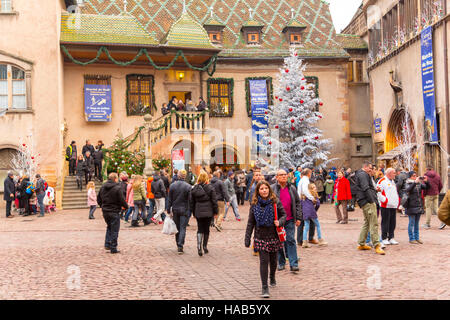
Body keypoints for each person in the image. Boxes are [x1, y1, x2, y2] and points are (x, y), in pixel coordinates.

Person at [245, 181, 287, 298]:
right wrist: (247, 238)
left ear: (269, 189)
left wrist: (280, 221)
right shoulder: (254, 204)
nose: (264, 190)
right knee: (264, 261)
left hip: (273, 235)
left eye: (266, 188)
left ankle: (272, 276)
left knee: (273, 261)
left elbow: (284, 214)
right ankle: (264, 287)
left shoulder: (275, 201)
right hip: (260, 236)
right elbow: (250, 222)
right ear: (258, 191)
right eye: (262, 188)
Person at [271, 169, 301, 273]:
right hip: (277, 220)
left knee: (291, 240)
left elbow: (297, 203)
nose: (284, 176)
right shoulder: (272, 189)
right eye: (281, 175)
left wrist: (298, 218)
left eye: (285, 175)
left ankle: (294, 264)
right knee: (279, 241)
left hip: (290, 219)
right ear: (277, 177)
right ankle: (281, 262)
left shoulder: (292, 188)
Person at [355, 161, 385, 255]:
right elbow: (366, 188)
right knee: (373, 223)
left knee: (367, 223)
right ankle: (377, 245)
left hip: (364, 201)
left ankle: (361, 243)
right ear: (366, 167)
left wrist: (374, 191)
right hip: (368, 201)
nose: (371, 170)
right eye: (370, 168)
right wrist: (372, 200)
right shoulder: (364, 175)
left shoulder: (360, 174)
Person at [97, 173, 128, 254]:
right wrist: (126, 206)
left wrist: (102, 205)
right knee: (114, 229)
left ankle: (107, 243)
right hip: (114, 210)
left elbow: (98, 198)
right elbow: (121, 199)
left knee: (109, 227)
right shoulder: (117, 188)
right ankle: (113, 247)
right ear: (115, 179)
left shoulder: (103, 187)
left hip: (105, 211)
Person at [189, 171, 218, 256]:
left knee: (200, 228)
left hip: (198, 210)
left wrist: (193, 212)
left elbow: (191, 202)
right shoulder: (210, 188)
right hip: (208, 211)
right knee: (206, 229)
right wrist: (215, 212)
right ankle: (204, 246)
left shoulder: (194, 188)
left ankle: (199, 246)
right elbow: (214, 201)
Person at [167, 169, 192, 254]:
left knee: (177, 228)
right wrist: (190, 210)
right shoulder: (188, 186)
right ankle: (180, 245)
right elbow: (190, 200)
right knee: (182, 228)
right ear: (185, 176)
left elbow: (169, 199)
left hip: (176, 209)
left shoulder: (173, 185)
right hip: (184, 209)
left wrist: (168, 209)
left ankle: (178, 244)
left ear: (178, 175)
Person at [403, 171, 429, 244]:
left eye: (416, 175)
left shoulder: (419, 184)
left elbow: (427, 188)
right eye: (413, 176)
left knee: (416, 223)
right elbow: (407, 190)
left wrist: (426, 182)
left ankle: (417, 238)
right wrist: (415, 182)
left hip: (418, 206)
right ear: (410, 177)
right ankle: (411, 238)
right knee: (411, 223)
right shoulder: (407, 183)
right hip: (411, 206)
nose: (415, 177)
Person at [377, 168, 400, 245]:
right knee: (385, 222)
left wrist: (396, 202)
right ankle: (384, 237)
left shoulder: (393, 181)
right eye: (394, 173)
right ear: (389, 173)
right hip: (385, 205)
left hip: (393, 205)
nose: (395, 174)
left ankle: (391, 237)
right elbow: (378, 192)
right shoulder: (382, 181)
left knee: (392, 222)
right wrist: (384, 200)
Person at [301, 183, 328, 248]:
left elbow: (300, 204)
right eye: (313, 187)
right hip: (311, 212)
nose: (315, 188)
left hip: (305, 212)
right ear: (310, 189)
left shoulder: (303, 196)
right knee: (318, 225)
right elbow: (318, 204)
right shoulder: (313, 195)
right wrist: (315, 210)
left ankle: (304, 242)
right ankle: (320, 239)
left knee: (306, 227)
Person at [297, 169, 317, 245]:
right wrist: (312, 198)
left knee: (301, 221)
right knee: (311, 219)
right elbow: (305, 190)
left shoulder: (301, 180)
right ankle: (310, 238)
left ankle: (300, 240)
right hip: (305, 201)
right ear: (309, 173)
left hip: (301, 201)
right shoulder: (305, 180)